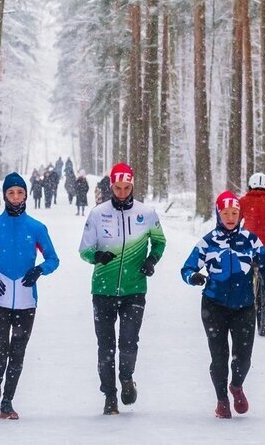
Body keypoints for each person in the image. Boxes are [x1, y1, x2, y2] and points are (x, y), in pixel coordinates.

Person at [0, 172, 60, 420]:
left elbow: (53, 259)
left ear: (26, 195)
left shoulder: (37, 228)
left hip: (27, 301)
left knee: (18, 352)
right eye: (11, 193)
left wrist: (40, 270)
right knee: (0, 350)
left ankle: (7, 402)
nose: (16, 197)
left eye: (20, 192)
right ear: (4, 196)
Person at [78, 162, 166, 415]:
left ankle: (126, 379)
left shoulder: (147, 213)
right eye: (118, 187)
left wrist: (151, 260)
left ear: (132, 185)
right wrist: (97, 256)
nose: (123, 192)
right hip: (103, 290)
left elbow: (159, 242)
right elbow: (83, 250)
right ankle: (109, 396)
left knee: (128, 342)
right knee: (105, 347)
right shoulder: (97, 213)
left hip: (134, 289)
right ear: (111, 186)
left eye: (127, 187)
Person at [181, 191, 265, 419]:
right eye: (226, 213)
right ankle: (222, 400)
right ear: (218, 214)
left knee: (243, 358)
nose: (230, 217)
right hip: (214, 306)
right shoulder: (208, 241)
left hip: (244, 306)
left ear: (240, 214)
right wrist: (193, 277)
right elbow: (186, 268)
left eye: (234, 213)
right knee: (219, 357)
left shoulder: (251, 240)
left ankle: (236, 386)